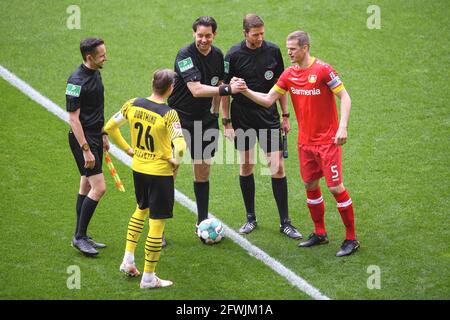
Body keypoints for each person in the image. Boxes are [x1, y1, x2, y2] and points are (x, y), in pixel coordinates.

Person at [236, 30, 360, 257]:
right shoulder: (289, 74)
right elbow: (267, 100)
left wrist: (342, 127)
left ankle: (351, 238)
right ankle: (320, 233)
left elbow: (345, 97)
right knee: (310, 186)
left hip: (327, 141)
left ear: (305, 48)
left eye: (293, 49)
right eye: (288, 48)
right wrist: (245, 91)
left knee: (335, 187)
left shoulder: (323, 70)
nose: (289, 52)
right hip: (305, 143)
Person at [104, 69, 186, 288]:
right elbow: (181, 146)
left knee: (141, 208)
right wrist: (174, 161)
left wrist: (128, 149)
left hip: (138, 168)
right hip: (159, 173)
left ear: (153, 84)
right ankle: (149, 277)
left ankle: (128, 260)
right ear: (171, 88)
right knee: (157, 223)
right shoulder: (169, 114)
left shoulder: (133, 104)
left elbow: (110, 127)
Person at [222, 14, 301, 239]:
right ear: (245, 33)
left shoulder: (273, 51)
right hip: (242, 116)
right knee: (246, 165)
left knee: (277, 167)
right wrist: (226, 122)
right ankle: (250, 218)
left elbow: (282, 85)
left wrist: (285, 116)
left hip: (268, 115)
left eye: (262, 34)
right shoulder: (233, 55)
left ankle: (285, 222)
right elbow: (226, 91)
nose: (260, 38)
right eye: (255, 35)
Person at [167, 16, 246, 230]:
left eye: (208, 35)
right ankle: (159, 227)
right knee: (170, 170)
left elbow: (218, 82)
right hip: (179, 120)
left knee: (203, 170)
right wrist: (228, 89)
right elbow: (196, 89)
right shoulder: (185, 55)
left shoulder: (218, 55)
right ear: (194, 33)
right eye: (200, 35)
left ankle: (202, 221)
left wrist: (216, 113)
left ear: (214, 35)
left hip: (204, 121)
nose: (204, 40)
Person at [66, 37, 109, 257]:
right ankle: (79, 238)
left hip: (94, 135)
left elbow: (96, 109)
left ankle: (80, 234)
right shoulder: (76, 81)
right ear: (89, 57)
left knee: (85, 185)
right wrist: (86, 148)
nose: (106, 57)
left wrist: (103, 134)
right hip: (82, 139)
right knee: (99, 187)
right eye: (102, 55)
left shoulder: (96, 72)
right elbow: (73, 119)